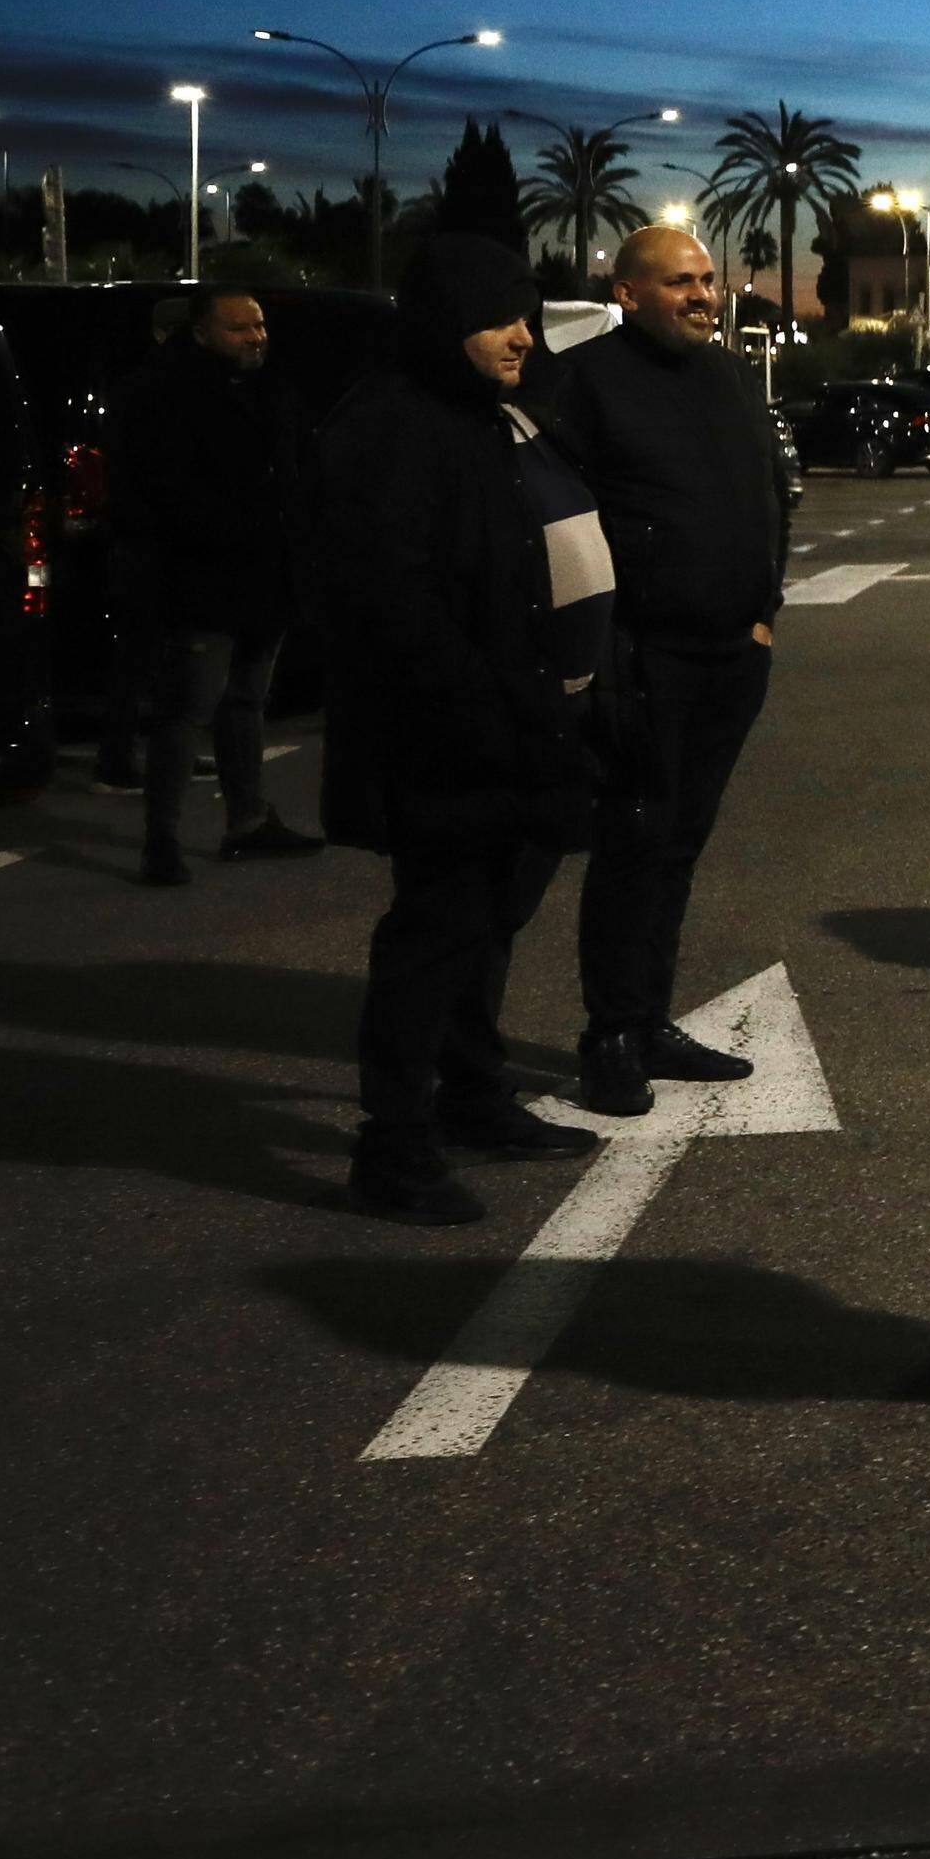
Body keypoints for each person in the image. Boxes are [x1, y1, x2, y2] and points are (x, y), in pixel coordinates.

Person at [314, 235, 611, 1225]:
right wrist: (486, 705)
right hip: (440, 734)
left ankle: (473, 1095)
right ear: (445, 325)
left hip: (508, 722)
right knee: (433, 934)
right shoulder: (390, 426)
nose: (523, 336)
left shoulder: (474, 410)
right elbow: (391, 600)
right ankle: (393, 1146)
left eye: (526, 315)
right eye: (499, 319)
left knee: (486, 923)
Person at [536, 224, 793, 1116]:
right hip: (643, 657)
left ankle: (648, 1020)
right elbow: (565, 521)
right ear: (628, 292)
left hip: (732, 654)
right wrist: (601, 650)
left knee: (680, 844)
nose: (703, 296)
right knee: (635, 843)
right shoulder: (587, 382)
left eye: (708, 280)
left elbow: (770, 493)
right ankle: (610, 1035)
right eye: (681, 282)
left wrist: (764, 613)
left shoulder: (730, 377)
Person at [110, 287, 318, 883]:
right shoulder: (167, 395)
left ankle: (247, 819)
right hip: (204, 578)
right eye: (239, 328)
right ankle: (162, 840)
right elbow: (161, 494)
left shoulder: (269, 388)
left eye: (259, 325)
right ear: (201, 332)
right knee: (187, 708)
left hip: (265, 577)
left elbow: (292, 475)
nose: (256, 336)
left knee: (246, 700)